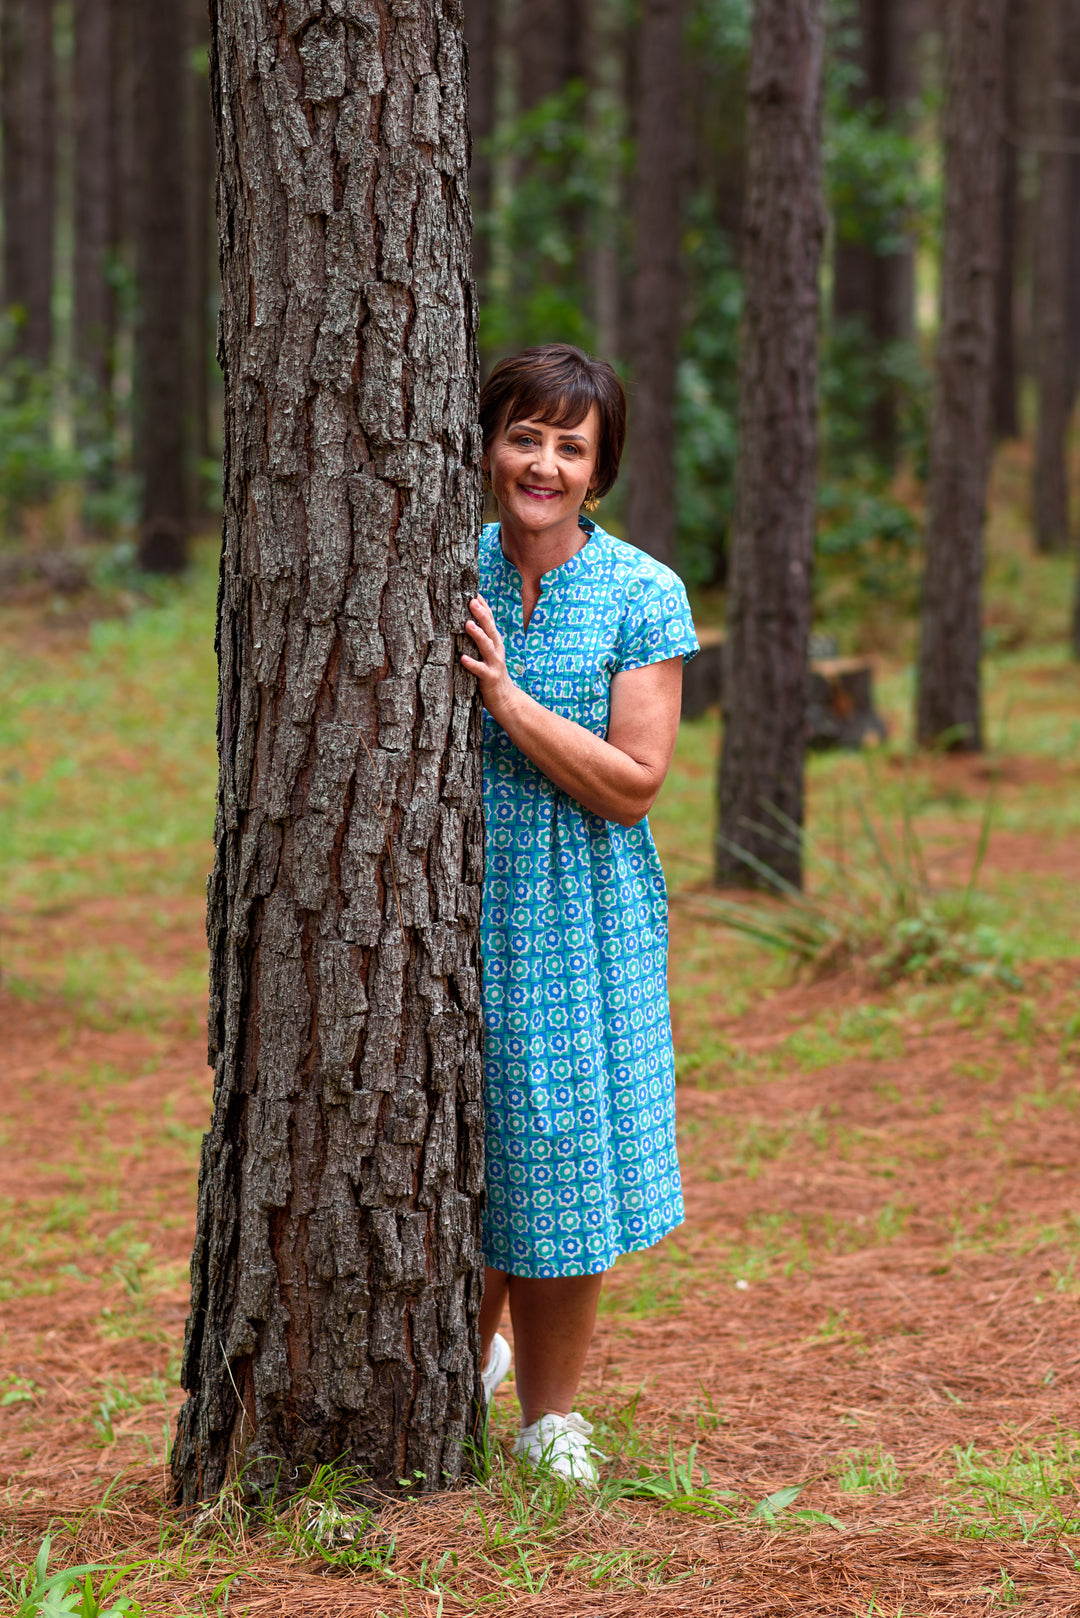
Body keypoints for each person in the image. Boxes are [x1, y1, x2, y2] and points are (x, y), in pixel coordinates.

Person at [461, 343, 699, 1484]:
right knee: (458, 1147)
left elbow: (634, 780)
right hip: (446, 905)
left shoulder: (643, 590)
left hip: (578, 912)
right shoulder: (443, 566)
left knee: (556, 1151)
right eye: (525, 436)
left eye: (570, 445)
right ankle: (456, 1361)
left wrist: (506, 700)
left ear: (598, 473)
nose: (543, 463)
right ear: (489, 445)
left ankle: (551, 1415)